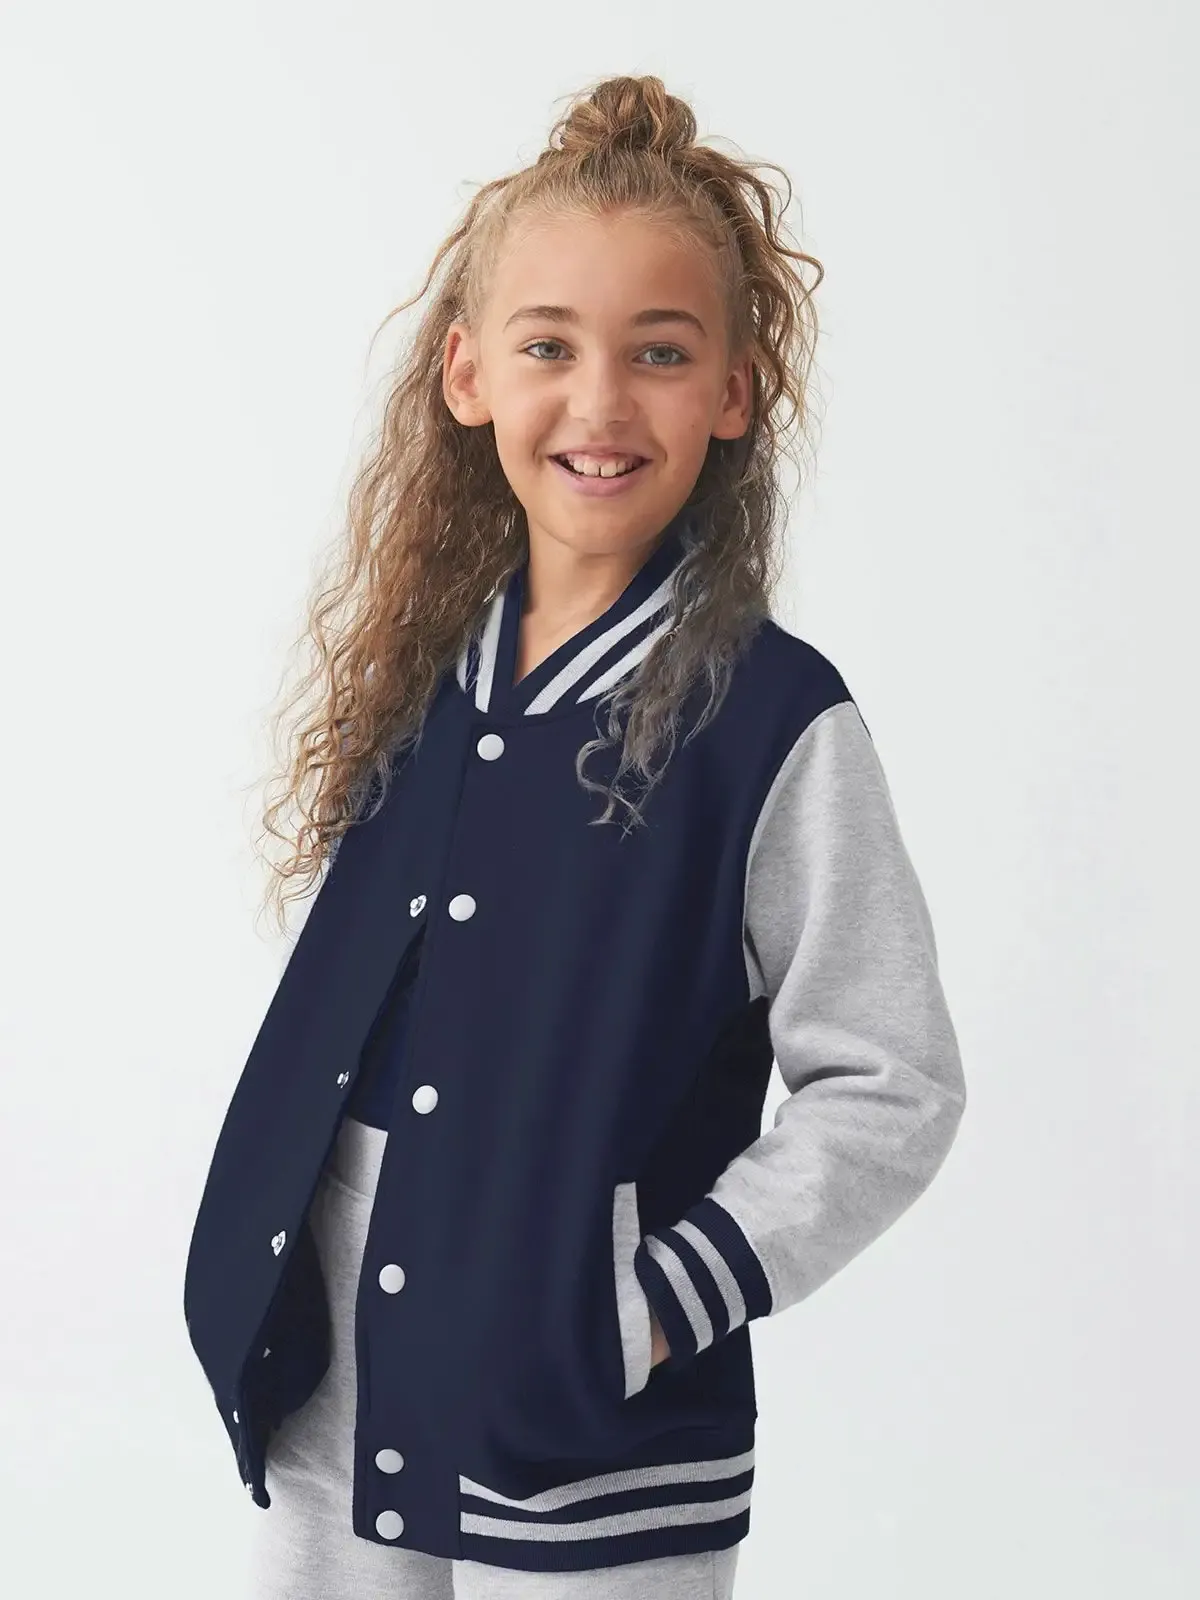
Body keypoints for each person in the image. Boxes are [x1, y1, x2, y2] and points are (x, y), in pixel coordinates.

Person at [183, 72, 967, 1600]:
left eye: (659, 352)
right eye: (550, 346)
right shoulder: (423, 675)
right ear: (468, 373)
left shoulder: (773, 723)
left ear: (734, 391)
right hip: (331, 1380)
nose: (600, 403)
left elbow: (894, 1084)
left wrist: (650, 1304)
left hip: (586, 1435)